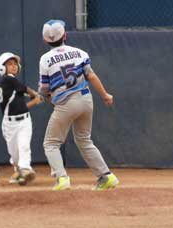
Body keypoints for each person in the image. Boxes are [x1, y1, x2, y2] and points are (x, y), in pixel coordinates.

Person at [38, 19, 119, 191]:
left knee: (51, 143)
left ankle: (61, 178)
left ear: (45, 40)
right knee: (84, 140)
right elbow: (91, 76)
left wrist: (45, 96)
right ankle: (106, 176)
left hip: (66, 103)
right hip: (86, 99)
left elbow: (44, 88)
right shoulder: (80, 53)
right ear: (65, 36)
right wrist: (105, 95)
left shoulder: (45, 59)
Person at [0, 52, 43, 185]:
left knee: (24, 146)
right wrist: (36, 95)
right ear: (2, 67)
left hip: (24, 121)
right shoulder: (8, 80)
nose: (14, 66)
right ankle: (19, 170)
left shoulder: (13, 86)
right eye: (9, 64)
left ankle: (25, 169)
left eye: (15, 64)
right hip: (9, 123)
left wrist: (35, 100)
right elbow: (26, 89)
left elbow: (22, 106)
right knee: (14, 153)